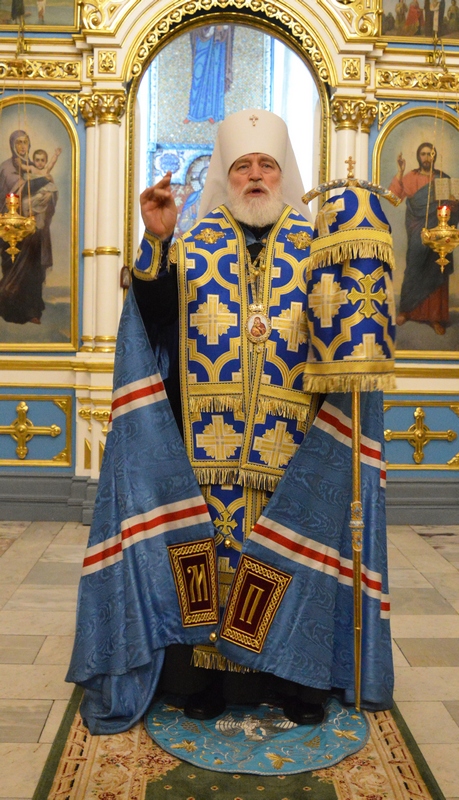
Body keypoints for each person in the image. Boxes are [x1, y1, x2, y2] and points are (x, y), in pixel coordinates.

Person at [389, 142, 458, 336]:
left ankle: (435, 317)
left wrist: (454, 204)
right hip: (416, 230)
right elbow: (394, 197)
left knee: (436, 268)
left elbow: (454, 206)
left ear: (434, 156)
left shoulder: (443, 179)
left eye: (430, 154)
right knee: (414, 267)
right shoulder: (411, 177)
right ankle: (406, 310)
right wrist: (400, 172)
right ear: (418, 156)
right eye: (423, 154)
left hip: (438, 230)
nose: (427, 157)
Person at [0, 130, 58, 325]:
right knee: (14, 271)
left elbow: (49, 192)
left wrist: (49, 196)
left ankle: (32, 310)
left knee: (34, 271)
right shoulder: (7, 168)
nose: (22, 146)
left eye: (25, 142)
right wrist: (43, 180)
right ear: (12, 145)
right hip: (13, 232)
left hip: (34, 231)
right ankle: (11, 310)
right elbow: (17, 189)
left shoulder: (34, 166)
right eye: (18, 143)